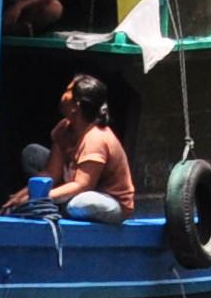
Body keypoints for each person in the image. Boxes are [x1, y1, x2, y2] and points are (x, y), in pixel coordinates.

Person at [31, 72, 135, 223]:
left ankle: (60, 207)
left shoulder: (96, 138)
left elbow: (82, 185)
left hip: (109, 201)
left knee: (78, 204)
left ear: (76, 106)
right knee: (32, 154)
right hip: (75, 186)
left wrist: (40, 198)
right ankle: (57, 202)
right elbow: (51, 172)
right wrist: (26, 194)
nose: (63, 94)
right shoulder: (64, 128)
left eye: (68, 91)